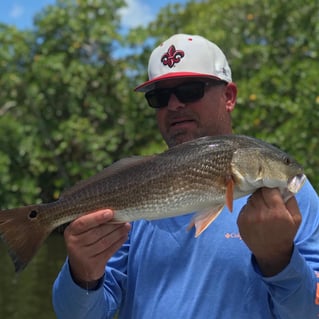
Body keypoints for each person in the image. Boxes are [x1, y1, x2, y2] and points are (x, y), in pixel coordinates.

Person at [52, 34, 319, 318]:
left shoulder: (293, 195)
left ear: (229, 97)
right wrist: (82, 275)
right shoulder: (133, 190)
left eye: (191, 90)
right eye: (160, 97)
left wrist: (278, 261)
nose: (175, 105)